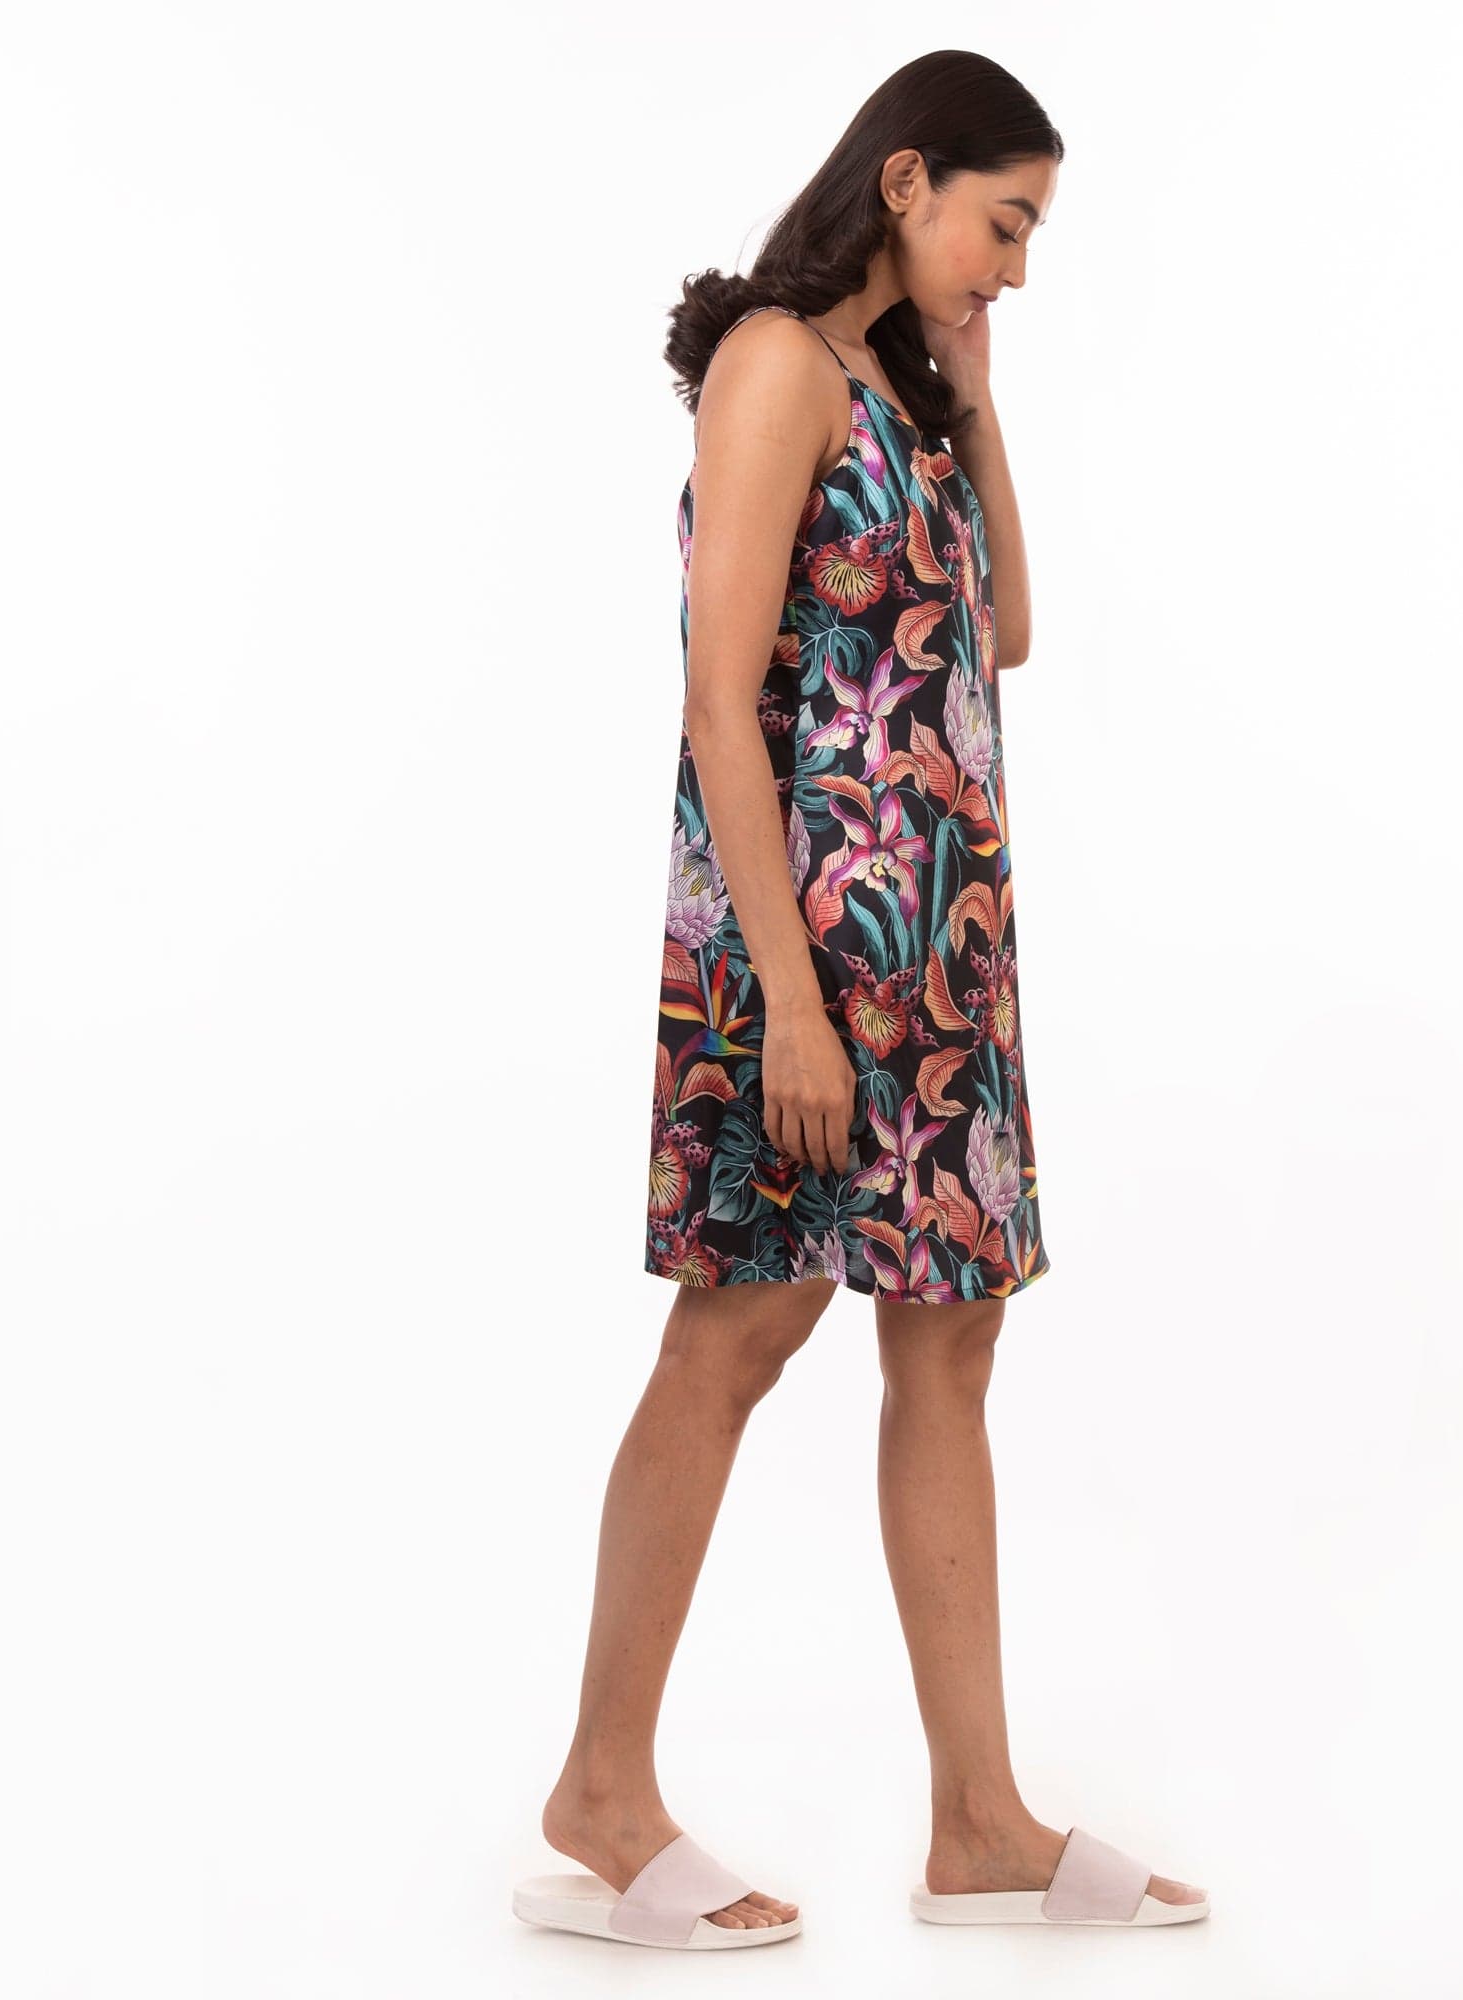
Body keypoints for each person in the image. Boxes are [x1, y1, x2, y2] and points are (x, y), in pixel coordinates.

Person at [513, 51, 1208, 1950]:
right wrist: (796, 1008)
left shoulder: (903, 390)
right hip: (807, 955)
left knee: (950, 1343)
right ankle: (599, 1789)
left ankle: (979, 1823)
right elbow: (717, 701)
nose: (1020, 266)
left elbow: (1005, 633)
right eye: (1007, 223)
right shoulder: (777, 367)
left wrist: (974, 396)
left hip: (940, 958)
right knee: (736, 1336)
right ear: (906, 181)